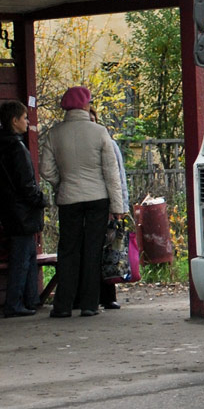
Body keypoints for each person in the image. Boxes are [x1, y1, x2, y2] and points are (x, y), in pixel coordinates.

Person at [39, 87, 126, 318]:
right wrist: (118, 207)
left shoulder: (54, 133)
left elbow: (46, 169)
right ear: (85, 105)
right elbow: (111, 172)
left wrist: (62, 183)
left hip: (69, 199)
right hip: (98, 198)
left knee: (68, 250)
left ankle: (63, 305)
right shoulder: (99, 132)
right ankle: (89, 304)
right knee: (92, 250)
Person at [1, 100, 46, 317]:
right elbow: (26, 183)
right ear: (14, 120)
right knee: (23, 258)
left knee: (26, 255)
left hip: (11, 210)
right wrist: (40, 199)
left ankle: (28, 300)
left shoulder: (4, 146)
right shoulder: (17, 148)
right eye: (25, 118)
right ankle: (16, 302)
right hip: (23, 212)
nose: (28, 122)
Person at [87, 106, 126, 311]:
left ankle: (108, 295)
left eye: (93, 119)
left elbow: (118, 176)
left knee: (109, 251)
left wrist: (120, 205)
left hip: (107, 206)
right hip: (90, 205)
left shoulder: (108, 143)